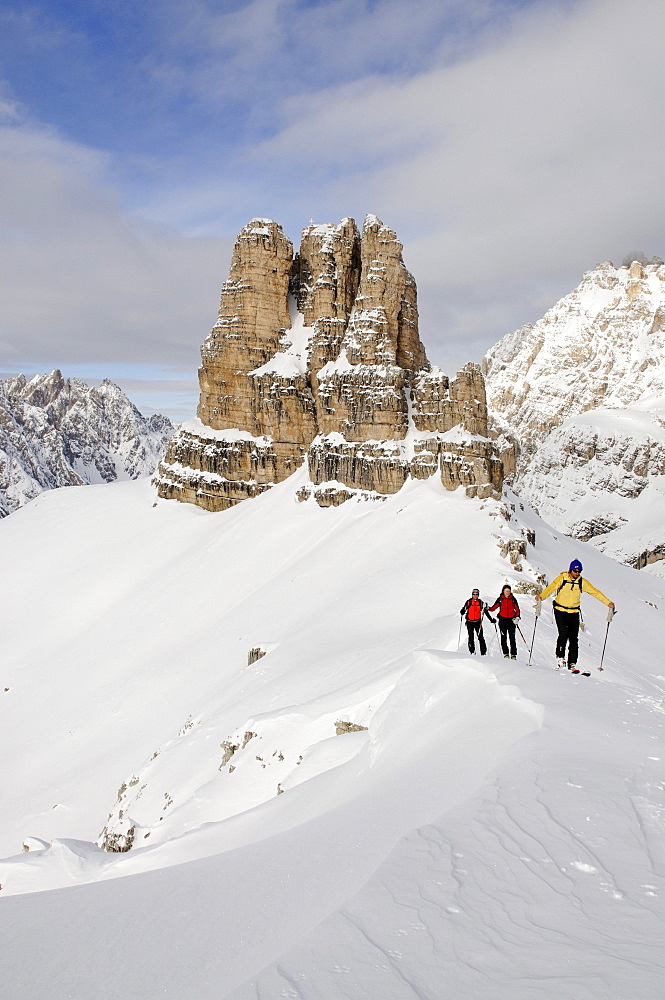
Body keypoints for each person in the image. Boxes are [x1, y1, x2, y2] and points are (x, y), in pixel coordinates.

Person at [536, 559, 615, 671]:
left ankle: (572, 663)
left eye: (579, 571)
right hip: (560, 610)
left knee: (574, 638)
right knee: (563, 634)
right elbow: (551, 588)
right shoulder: (562, 579)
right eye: (575, 571)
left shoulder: (582, 582)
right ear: (570, 570)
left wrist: (608, 602)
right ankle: (560, 657)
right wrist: (541, 597)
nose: (577, 573)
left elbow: (595, 592)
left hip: (574, 612)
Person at [488, 584, 521, 659]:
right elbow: (493, 608)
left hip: (511, 621)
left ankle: (513, 655)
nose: (508, 592)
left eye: (509, 591)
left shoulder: (513, 599)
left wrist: (517, 617)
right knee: (503, 637)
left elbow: (517, 609)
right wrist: (487, 608)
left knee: (512, 637)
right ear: (503, 591)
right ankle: (505, 653)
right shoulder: (500, 599)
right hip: (502, 621)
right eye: (506, 591)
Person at [460, 588, 495, 655]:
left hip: (478, 623)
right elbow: (464, 609)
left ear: (478, 595)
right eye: (474, 594)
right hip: (469, 622)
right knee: (471, 637)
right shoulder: (469, 602)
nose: (475, 595)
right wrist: (462, 612)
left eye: (476, 594)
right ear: (472, 594)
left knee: (481, 638)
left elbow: (486, 612)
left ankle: (483, 653)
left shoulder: (480, 602)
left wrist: (491, 620)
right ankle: (472, 652)